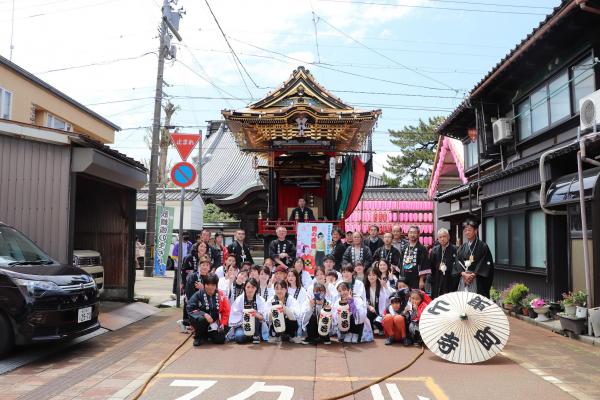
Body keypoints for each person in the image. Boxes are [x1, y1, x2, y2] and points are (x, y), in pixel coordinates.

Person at [452, 219, 494, 297]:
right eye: (465, 230)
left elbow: (485, 263)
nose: (467, 232)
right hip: (464, 279)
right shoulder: (463, 247)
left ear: (475, 231)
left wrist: (473, 275)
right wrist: (463, 273)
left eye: (469, 230)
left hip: (477, 280)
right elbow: (457, 262)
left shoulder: (483, 246)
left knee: (476, 301)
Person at [187, 273, 230, 346]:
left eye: (213, 285)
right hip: (201, 321)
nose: (210, 287)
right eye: (208, 284)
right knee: (201, 319)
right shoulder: (198, 294)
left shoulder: (221, 294)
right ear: (204, 285)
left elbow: (226, 311)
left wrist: (223, 323)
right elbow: (190, 308)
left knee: (220, 340)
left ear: (216, 285)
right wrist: (204, 314)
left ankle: (207, 334)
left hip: (214, 323)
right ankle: (198, 337)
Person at [229, 278, 268, 344]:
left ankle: (256, 335)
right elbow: (235, 315)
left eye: (253, 287)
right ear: (245, 287)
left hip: (256, 326)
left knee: (253, 316)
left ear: (256, 288)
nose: (250, 289)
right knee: (239, 337)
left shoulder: (260, 300)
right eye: (248, 287)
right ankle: (251, 336)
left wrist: (255, 314)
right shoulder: (239, 299)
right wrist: (245, 317)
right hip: (242, 326)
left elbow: (263, 317)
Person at [430, 228, 458, 298]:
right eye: (440, 237)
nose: (442, 239)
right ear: (438, 239)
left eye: (444, 236)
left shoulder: (455, 249)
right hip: (437, 278)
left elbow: (457, 266)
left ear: (448, 237)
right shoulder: (434, 250)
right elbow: (431, 266)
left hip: (450, 278)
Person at [399, 226, 429, 290]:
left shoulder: (422, 248)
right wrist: (400, 278)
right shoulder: (405, 247)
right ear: (408, 234)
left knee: (415, 296)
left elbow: (424, 264)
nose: (412, 235)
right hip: (404, 277)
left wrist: (421, 280)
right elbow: (401, 262)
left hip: (416, 278)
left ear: (418, 234)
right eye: (411, 232)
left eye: (415, 233)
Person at [364, 267, 390, 336]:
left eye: (373, 275)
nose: (371, 277)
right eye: (369, 275)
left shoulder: (382, 286)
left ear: (377, 276)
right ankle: (371, 329)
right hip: (371, 311)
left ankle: (379, 326)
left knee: (378, 323)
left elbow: (390, 297)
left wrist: (385, 287)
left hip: (381, 313)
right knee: (367, 312)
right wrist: (369, 306)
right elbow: (362, 300)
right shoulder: (365, 287)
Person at [172, 232, 193, 296]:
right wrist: (179, 263)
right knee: (177, 278)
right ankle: (175, 291)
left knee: (185, 278)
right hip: (178, 265)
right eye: (184, 235)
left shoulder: (190, 244)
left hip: (186, 265)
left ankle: (184, 291)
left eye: (187, 235)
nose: (186, 237)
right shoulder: (177, 244)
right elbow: (174, 255)